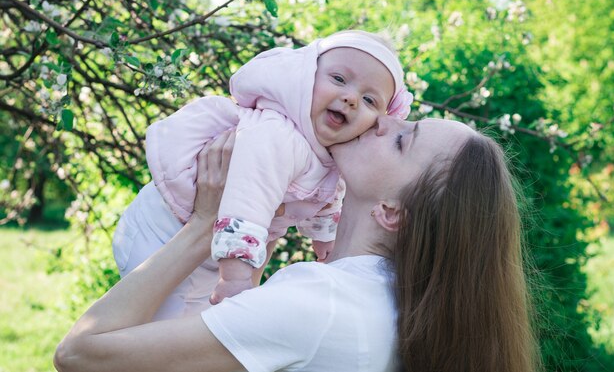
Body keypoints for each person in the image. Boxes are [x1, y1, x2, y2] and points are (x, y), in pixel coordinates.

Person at [54, 115, 540, 372]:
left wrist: (205, 225)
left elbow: (80, 356)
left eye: (401, 141)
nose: (383, 120)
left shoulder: (319, 302)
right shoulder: (388, 302)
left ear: (392, 212)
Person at [112, 30, 413, 313]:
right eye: (338, 78)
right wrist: (236, 280)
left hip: (209, 251)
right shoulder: (278, 135)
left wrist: (326, 244)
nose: (351, 98)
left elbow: (328, 200)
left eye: (369, 99)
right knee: (174, 334)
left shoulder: (330, 158)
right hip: (164, 233)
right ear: (306, 76)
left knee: (195, 331)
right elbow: (248, 201)